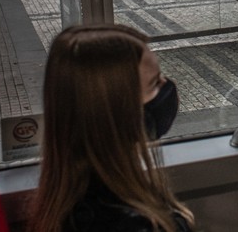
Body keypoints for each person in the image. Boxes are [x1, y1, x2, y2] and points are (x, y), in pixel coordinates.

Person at [29, 24, 195, 232]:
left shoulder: (77, 196)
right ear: (114, 111)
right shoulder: (128, 224)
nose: (168, 86)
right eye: (154, 84)